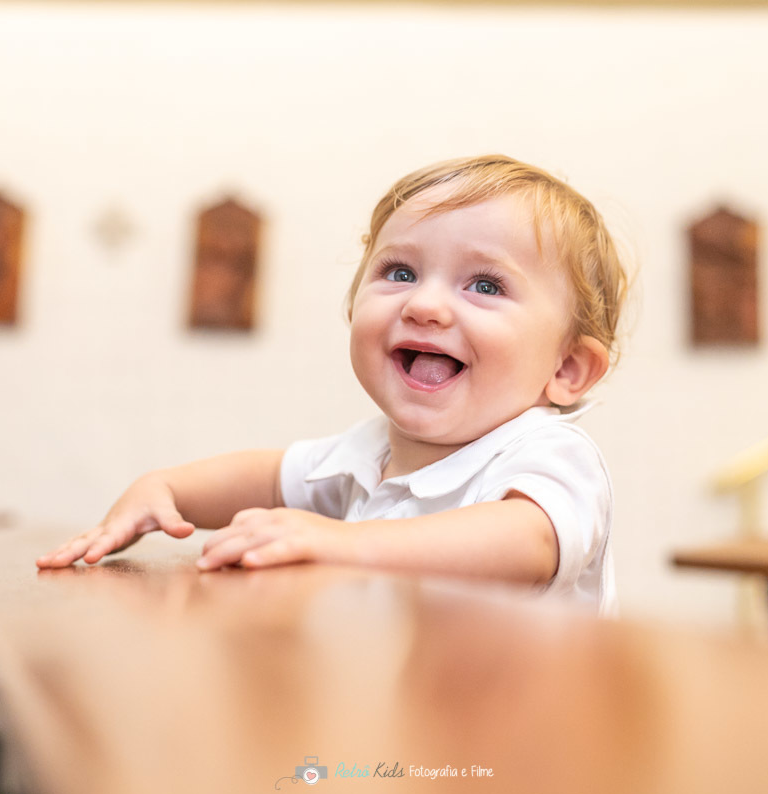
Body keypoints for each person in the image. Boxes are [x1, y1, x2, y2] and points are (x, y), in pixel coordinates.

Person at [37, 154, 629, 612]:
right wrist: (164, 487)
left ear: (566, 369)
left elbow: (527, 544)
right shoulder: (368, 452)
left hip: (527, 756)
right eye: (400, 272)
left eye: (486, 285)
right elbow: (270, 479)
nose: (425, 304)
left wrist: (342, 543)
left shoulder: (546, 455)